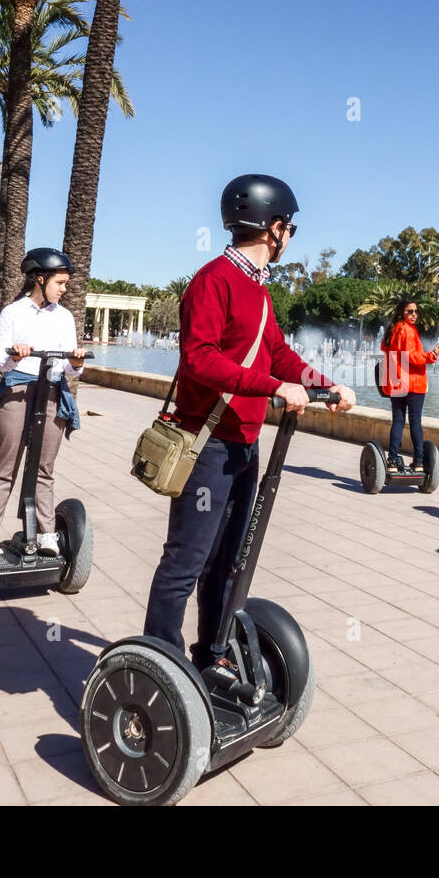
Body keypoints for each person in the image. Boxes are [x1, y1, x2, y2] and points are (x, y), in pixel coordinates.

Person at [143, 174, 355, 673]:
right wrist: (273, 388)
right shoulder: (213, 280)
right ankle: (161, 666)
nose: (289, 238)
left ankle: (211, 655)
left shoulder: (258, 292)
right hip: (207, 444)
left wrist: (325, 384)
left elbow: (276, 354)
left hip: (244, 443)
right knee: (186, 562)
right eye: (290, 228)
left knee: (227, 562)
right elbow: (199, 359)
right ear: (274, 227)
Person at [0, 248, 87, 560]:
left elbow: (69, 367)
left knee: (44, 468)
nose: (64, 289)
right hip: (17, 390)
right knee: (6, 466)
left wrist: (76, 362)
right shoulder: (13, 313)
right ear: (40, 279)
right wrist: (14, 354)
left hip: (52, 391)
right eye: (60, 283)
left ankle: (46, 532)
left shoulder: (64, 317)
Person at [380, 299, 439, 471]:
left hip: (396, 383)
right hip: (412, 383)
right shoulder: (408, 331)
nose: (414, 314)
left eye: (416, 311)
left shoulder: (392, 331)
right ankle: (418, 462)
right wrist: (432, 354)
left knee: (398, 421)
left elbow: (389, 353)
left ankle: (392, 460)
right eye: (410, 311)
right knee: (415, 422)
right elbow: (412, 357)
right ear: (402, 312)